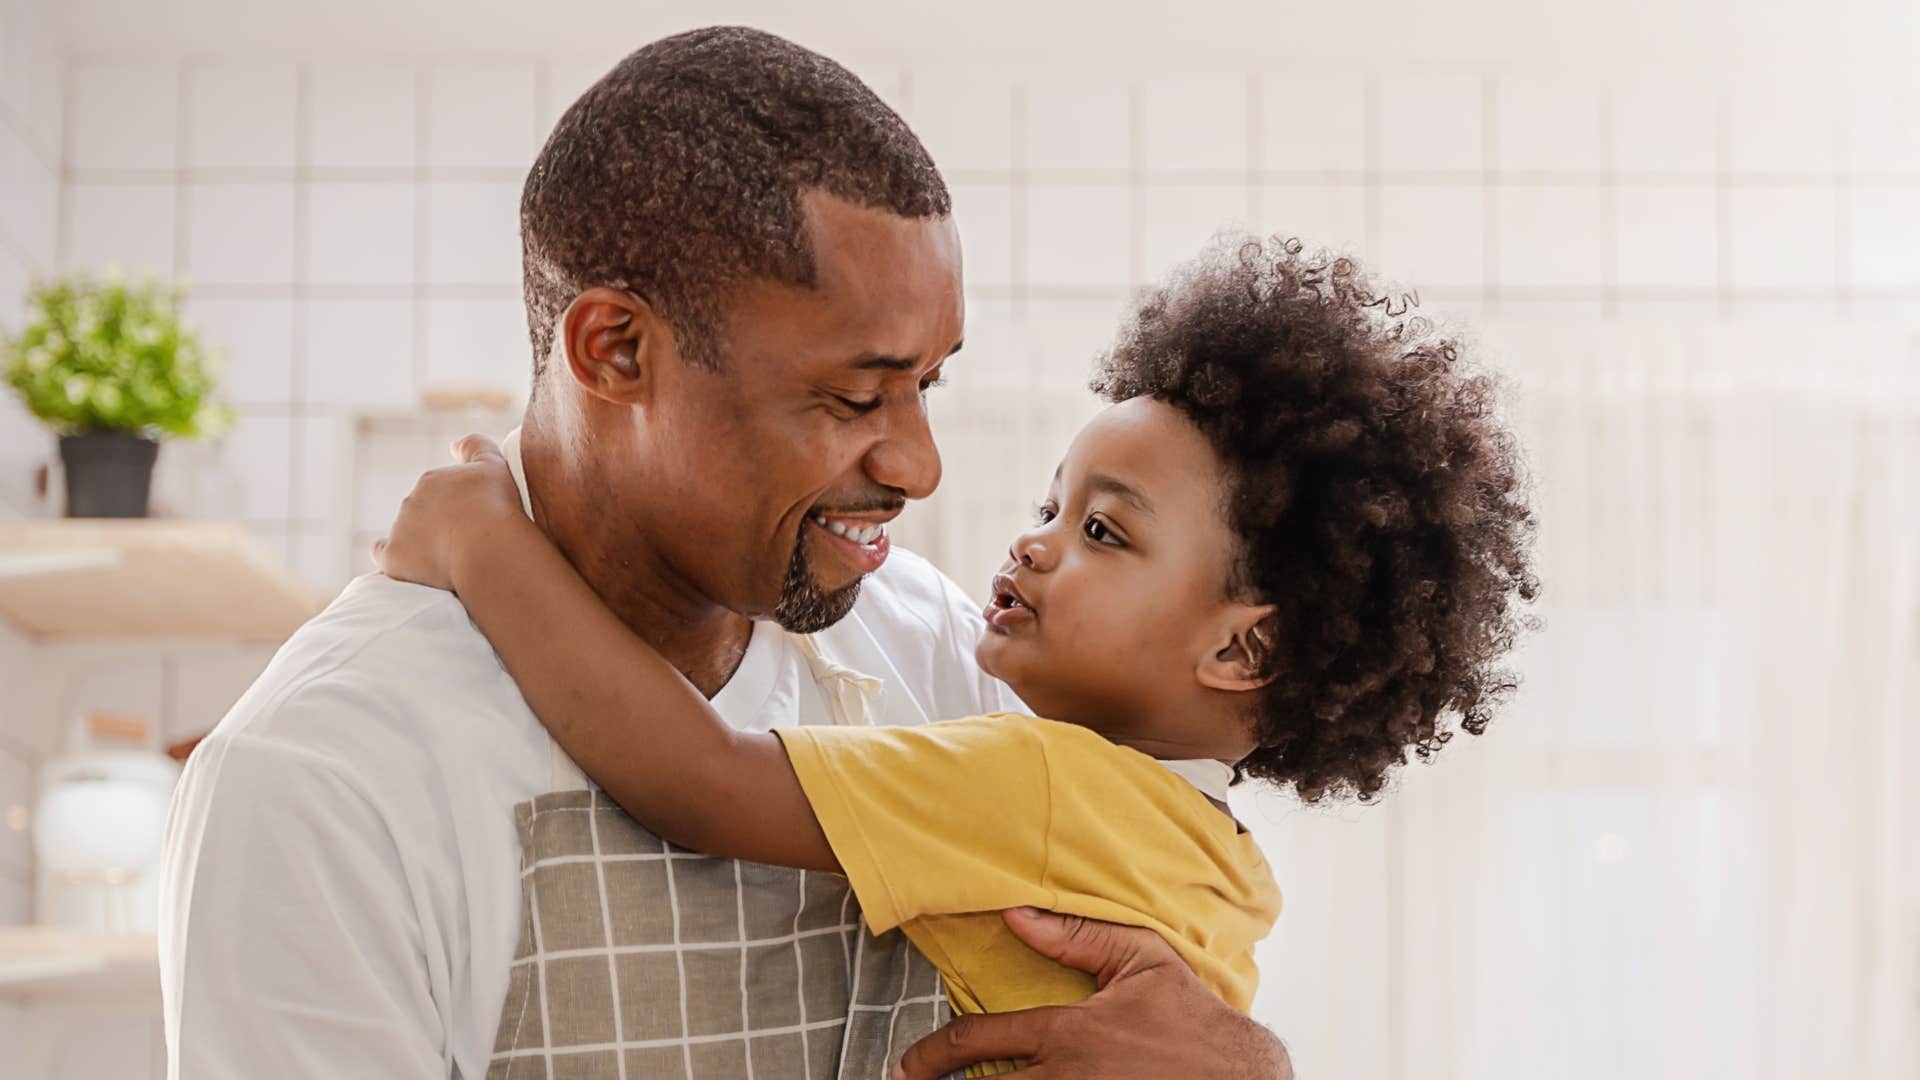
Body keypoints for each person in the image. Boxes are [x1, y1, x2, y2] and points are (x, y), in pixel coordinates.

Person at [159, 26, 1300, 1080]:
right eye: (857, 394)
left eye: (927, 384)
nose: (919, 464)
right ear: (615, 350)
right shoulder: (318, 785)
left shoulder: (948, 655)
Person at [372, 237, 1538, 1077]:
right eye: (1053, 502)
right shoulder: (1223, 862)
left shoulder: (1041, 785)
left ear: (1243, 646)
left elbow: (698, 780)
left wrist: (486, 543)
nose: (1032, 541)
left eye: (1101, 532)